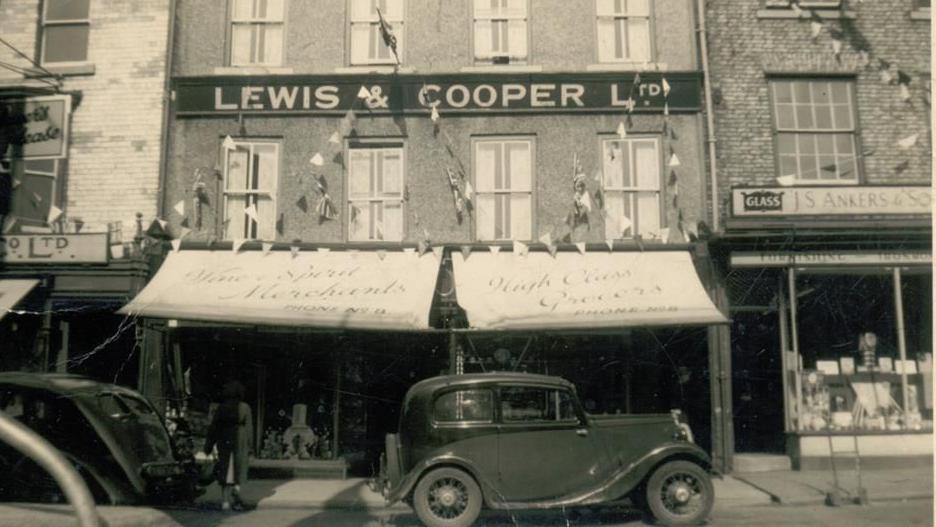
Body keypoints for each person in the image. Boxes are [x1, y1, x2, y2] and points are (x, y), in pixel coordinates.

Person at [203, 380, 253, 511]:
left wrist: (208, 446)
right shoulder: (245, 407)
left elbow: (214, 428)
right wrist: (251, 446)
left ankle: (225, 501)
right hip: (240, 438)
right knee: (239, 467)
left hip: (224, 438)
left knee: (225, 468)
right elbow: (249, 428)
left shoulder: (222, 407)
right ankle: (236, 492)